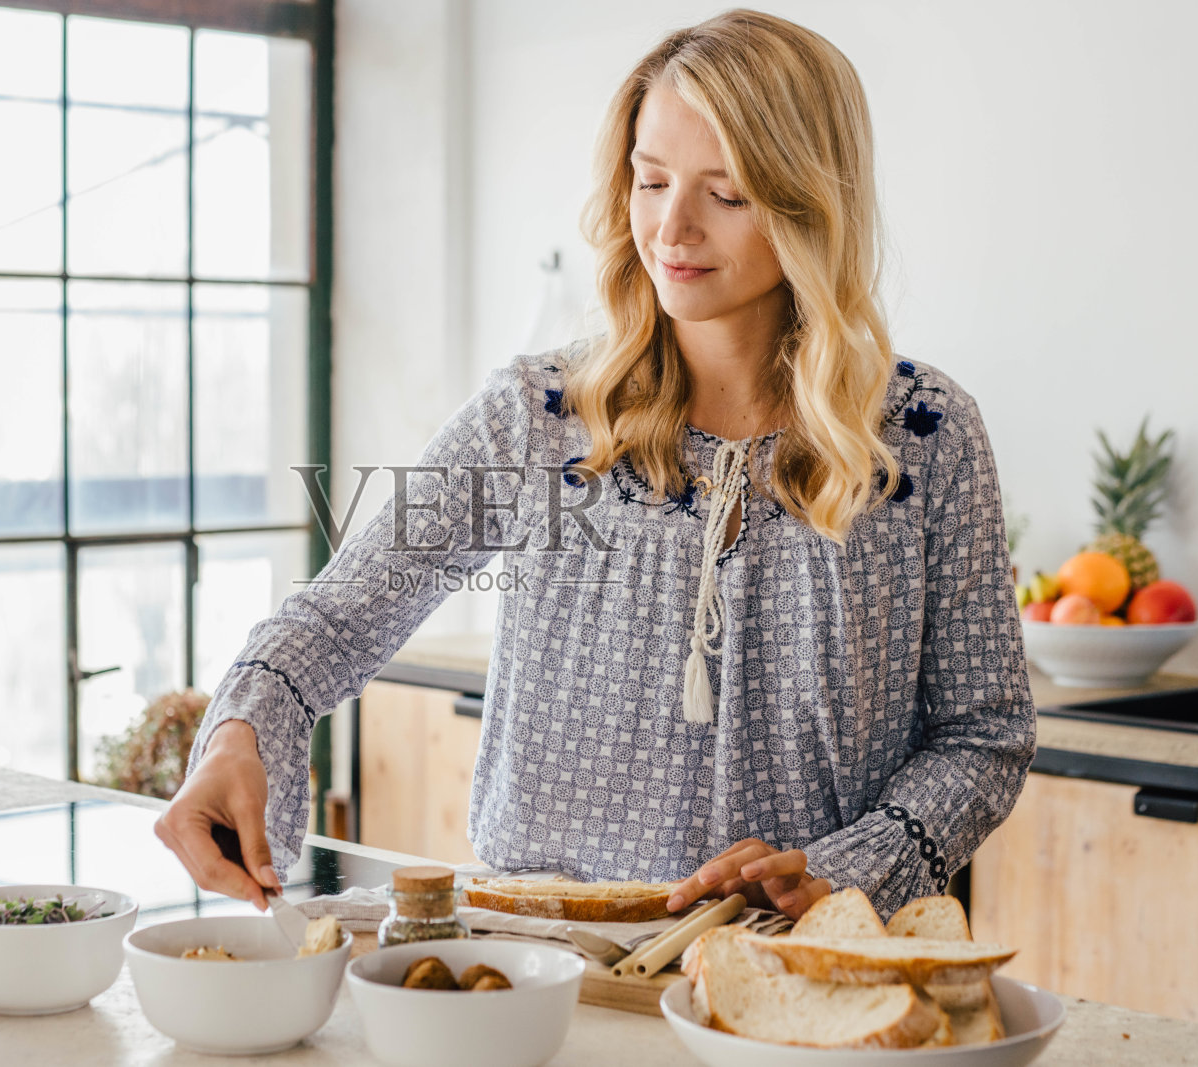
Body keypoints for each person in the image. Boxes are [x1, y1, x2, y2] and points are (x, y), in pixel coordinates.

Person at [154, 8, 1034, 922]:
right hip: (539, 960)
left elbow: (985, 732)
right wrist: (241, 726)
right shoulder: (535, 417)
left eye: (725, 195)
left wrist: (847, 867)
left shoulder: (925, 437)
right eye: (650, 182)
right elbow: (341, 615)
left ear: (812, 203)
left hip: (796, 969)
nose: (672, 229)